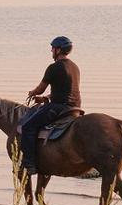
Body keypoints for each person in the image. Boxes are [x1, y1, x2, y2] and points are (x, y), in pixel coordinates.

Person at [19, 35, 82, 175]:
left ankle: (29, 164)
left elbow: (40, 88)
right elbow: (66, 90)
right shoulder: (75, 67)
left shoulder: (53, 67)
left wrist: (33, 92)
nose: (51, 51)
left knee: (27, 127)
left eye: (52, 48)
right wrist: (44, 98)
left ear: (58, 50)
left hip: (58, 108)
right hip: (75, 109)